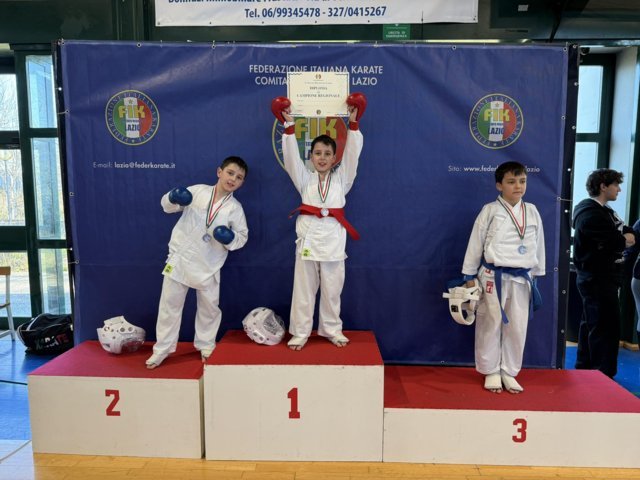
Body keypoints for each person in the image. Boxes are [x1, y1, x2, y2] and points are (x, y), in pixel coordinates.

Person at [271, 96, 364, 350]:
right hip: (309, 238)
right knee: (304, 289)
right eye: (318, 153)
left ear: (334, 158)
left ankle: (332, 329)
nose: (322, 158)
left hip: (333, 239)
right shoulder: (304, 179)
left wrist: (353, 124)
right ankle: (300, 332)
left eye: (327, 154)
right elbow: (291, 159)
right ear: (310, 157)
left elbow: (352, 157)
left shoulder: (342, 179)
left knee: (333, 289)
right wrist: (289, 127)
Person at [146, 156, 249, 368]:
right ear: (219, 172)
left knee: (209, 308)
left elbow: (242, 237)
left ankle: (206, 345)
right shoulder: (198, 191)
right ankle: (162, 349)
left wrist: (230, 238)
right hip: (181, 258)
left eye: (239, 177)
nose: (233, 179)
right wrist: (173, 197)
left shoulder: (235, 208)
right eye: (230, 173)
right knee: (169, 306)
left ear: (242, 183)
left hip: (210, 263)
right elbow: (167, 206)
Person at [461, 161, 545, 393]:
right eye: (511, 182)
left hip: (522, 277)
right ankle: (490, 370)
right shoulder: (490, 210)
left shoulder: (532, 211)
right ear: (499, 185)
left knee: (517, 326)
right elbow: (475, 243)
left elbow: (539, 245)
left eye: (522, 181)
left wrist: (536, 273)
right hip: (492, 275)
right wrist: (469, 275)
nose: (518, 186)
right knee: (490, 323)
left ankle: (509, 371)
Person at [572, 168, 635, 378]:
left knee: (593, 323)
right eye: (616, 185)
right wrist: (623, 239)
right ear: (603, 186)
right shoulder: (589, 213)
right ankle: (601, 374)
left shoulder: (605, 211)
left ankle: (588, 369)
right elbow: (616, 240)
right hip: (596, 278)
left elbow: (628, 232)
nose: (619, 189)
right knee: (604, 327)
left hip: (604, 278)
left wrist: (625, 238)